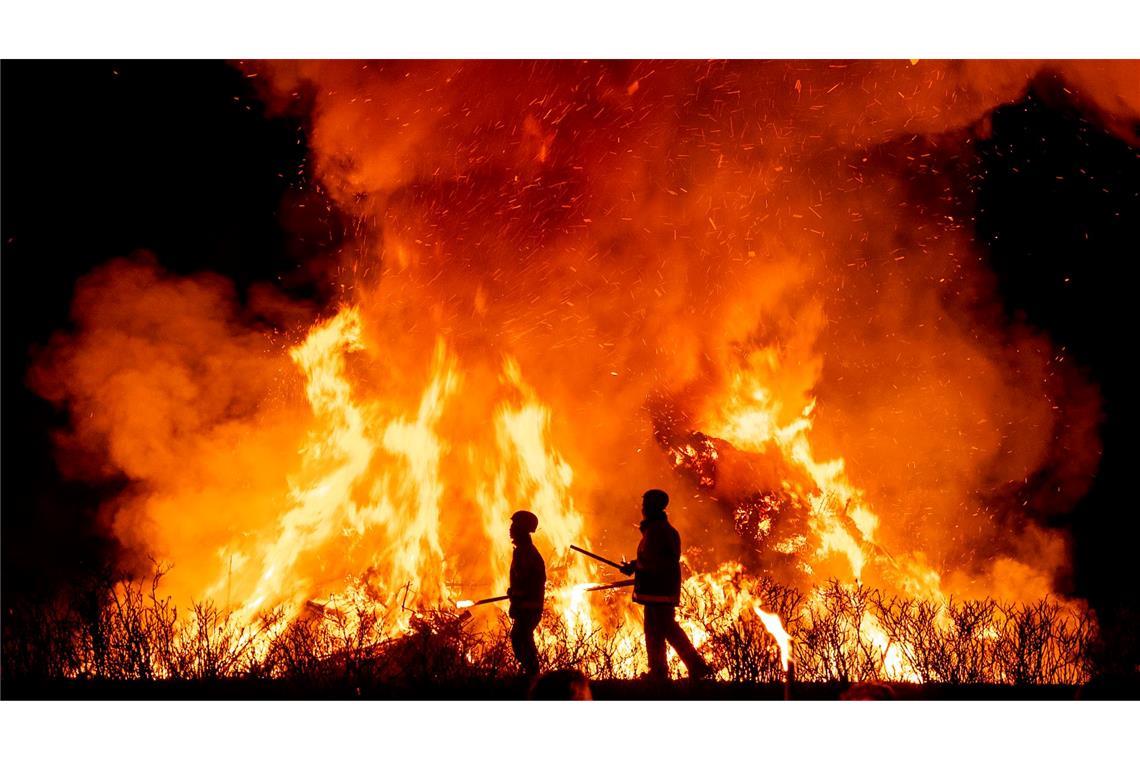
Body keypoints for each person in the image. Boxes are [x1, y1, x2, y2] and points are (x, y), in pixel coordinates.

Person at [620, 489, 711, 681]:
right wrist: (635, 565)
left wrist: (636, 567)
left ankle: (688, 668)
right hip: (659, 590)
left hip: (658, 590)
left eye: (645, 505)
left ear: (653, 507)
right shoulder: (658, 530)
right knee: (661, 631)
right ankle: (665, 671)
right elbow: (652, 558)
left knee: (662, 631)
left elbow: (658, 562)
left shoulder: (658, 531)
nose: (642, 509)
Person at [507, 510, 546, 676]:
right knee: (520, 638)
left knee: (521, 639)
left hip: (528, 607)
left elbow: (532, 582)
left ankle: (533, 676)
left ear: (522, 529)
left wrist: (517, 594)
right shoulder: (522, 551)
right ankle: (531, 674)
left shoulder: (527, 554)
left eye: (514, 525)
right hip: (525, 606)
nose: (510, 529)